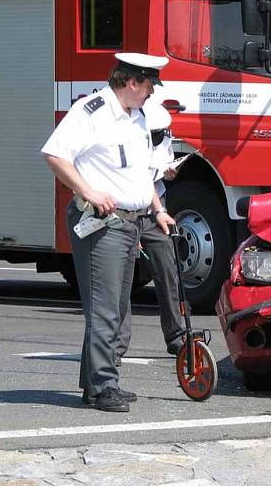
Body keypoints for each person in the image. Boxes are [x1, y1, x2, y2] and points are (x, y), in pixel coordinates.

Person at [41, 52, 175, 412]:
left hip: (131, 221)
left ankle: (93, 382)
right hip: (101, 222)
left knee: (115, 305)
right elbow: (54, 154)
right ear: (131, 82)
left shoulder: (137, 117)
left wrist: (158, 210)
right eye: (148, 85)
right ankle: (103, 388)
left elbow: (140, 173)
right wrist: (88, 191)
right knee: (104, 309)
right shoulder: (92, 111)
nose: (151, 93)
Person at [116, 99, 183, 364]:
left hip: (154, 208)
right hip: (127, 210)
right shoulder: (128, 134)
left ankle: (177, 337)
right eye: (156, 133)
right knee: (122, 281)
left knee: (168, 271)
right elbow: (138, 176)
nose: (160, 136)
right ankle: (116, 346)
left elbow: (156, 174)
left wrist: (169, 171)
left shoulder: (159, 127)